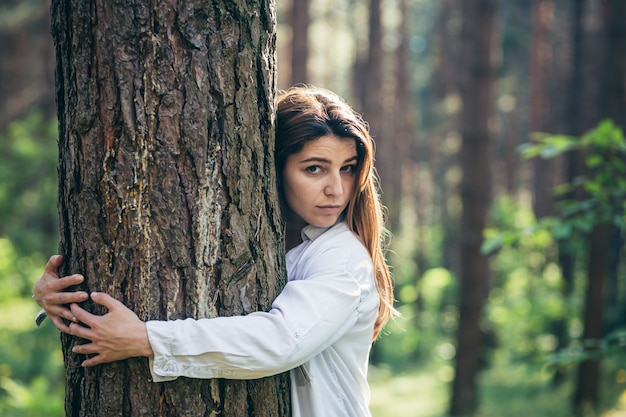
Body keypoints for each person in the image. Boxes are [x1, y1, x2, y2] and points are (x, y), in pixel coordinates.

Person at [33, 86, 395, 417]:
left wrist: (149, 339)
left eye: (347, 170)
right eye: (315, 169)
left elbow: (282, 341)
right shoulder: (271, 238)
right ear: (274, 167)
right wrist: (59, 296)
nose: (336, 189)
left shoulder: (343, 258)